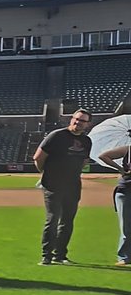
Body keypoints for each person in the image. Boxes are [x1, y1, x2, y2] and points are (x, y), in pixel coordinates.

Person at [34, 109, 93, 265]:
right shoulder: (57, 136)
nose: (77, 122)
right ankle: (46, 255)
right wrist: (46, 173)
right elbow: (38, 158)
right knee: (52, 219)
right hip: (52, 185)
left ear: (87, 124)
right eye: (76, 119)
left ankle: (60, 255)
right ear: (71, 119)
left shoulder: (87, 141)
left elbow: (84, 161)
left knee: (67, 221)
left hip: (73, 185)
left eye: (82, 121)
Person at [97, 143, 131, 265]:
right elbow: (104, 156)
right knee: (126, 226)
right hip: (126, 190)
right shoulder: (128, 150)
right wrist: (121, 169)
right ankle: (124, 256)